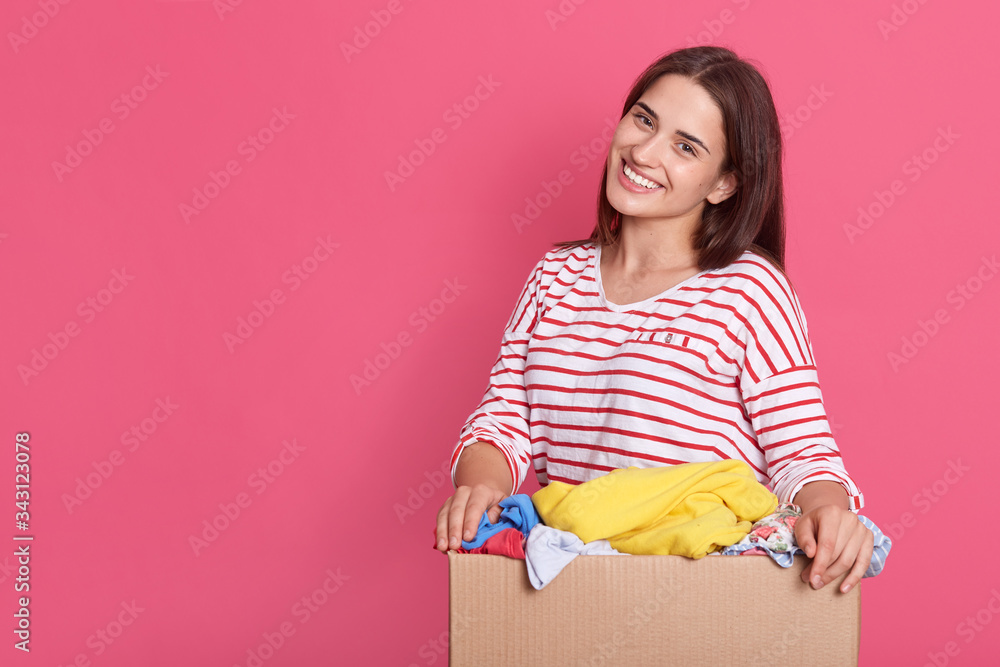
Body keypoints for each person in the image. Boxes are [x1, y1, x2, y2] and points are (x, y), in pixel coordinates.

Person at [434, 46, 874, 594]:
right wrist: (479, 488)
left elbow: (803, 452)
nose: (643, 152)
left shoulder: (749, 290)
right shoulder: (554, 277)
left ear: (723, 184)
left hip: (700, 594)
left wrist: (830, 512)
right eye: (644, 119)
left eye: (685, 146)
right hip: (573, 584)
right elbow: (502, 420)